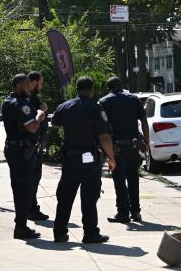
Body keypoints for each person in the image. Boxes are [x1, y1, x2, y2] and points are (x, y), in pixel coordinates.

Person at [52, 76, 116, 244]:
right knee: (89, 196)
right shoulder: (95, 108)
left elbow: (55, 123)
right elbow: (105, 137)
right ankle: (90, 233)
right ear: (91, 89)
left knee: (65, 196)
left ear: (77, 89)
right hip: (88, 158)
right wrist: (111, 158)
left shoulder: (65, 106)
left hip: (70, 157)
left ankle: (59, 232)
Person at [2, 73, 47, 240]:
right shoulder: (21, 104)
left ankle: (20, 224)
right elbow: (33, 126)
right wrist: (41, 113)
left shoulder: (7, 101)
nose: (30, 88)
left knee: (19, 188)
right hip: (22, 152)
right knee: (25, 189)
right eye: (27, 85)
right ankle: (20, 227)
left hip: (14, 149)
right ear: (19, 86)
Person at [99, 77, 150, 224]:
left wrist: (106, 149)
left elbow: (101, 127)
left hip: (116, 148)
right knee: (133, 178)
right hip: (133, 147)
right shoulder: (133, 99)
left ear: (109, 88)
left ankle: (123, 213)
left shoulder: (104, 102)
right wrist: (146, 142)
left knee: (119, 180)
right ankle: (135, 211)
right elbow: (144, 121)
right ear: (121, 86)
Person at [27, 71, 50, 221]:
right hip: (31, 147)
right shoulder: (30, 100)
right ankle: (31, 209)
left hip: (35, 146)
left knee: (34, 179)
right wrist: (42, 110)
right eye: (40, 83)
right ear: (34, 82)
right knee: (32, 179)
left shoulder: (33, 98)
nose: (41, 86)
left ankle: (31, 208)